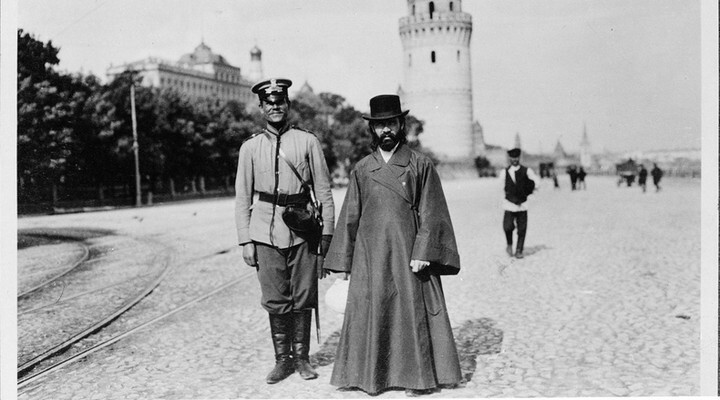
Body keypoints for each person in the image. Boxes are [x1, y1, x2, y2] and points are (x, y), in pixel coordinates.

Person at [325, 94, 462, 396]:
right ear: (372, 130)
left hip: (408, 252)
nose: (386, 130)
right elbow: (350, 214)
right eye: (379, 126)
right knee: (373, 310)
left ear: (401, 125)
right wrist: (342, 264)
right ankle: (371, 377)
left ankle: (419, 378)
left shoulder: (419, 164)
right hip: (370, 254)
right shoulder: (362, 168)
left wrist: (424, 251)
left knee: (411, 310)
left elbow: (432, 210)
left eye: (391, 124)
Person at [234, 78, 335, 384]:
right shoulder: (250, 147)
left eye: (280, 102)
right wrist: (245, 240)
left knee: (303, 296)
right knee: (276, 297)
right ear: (261, 107)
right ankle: (283, 360)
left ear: (288, 105)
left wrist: (326, 237)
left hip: (303, 230)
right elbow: (242, 197)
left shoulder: (307, 142)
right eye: (269, 103)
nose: (275, 107)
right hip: (264, 232)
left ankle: (303, 359)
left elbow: (324, 192)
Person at [502, 148, 538, 259]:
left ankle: (519, 250)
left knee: (522, 229)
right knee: (507, 226)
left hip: (522, 205)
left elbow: (536, 183)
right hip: (509, 204)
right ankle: (509, 244)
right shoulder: (504, 172)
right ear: (509, 158)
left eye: (516, 157)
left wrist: (527, 193)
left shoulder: (527, 171)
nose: (514, 160)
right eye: (512, 158)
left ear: (519, 158)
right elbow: (500, 188)